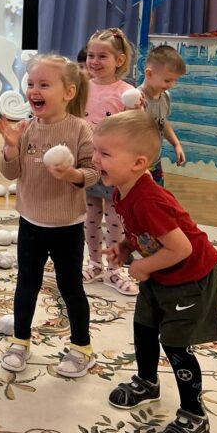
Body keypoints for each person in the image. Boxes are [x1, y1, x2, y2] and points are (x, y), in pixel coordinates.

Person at [93, 111, 217, 433]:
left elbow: (182, 248)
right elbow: (141, 232)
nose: (95, 159)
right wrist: (125, 247)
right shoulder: (123, 190)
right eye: (95, 151)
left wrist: (143, 265)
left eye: (105, 154)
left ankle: (194, 415)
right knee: (144, 327)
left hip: (189, 278)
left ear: (138, 163)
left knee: (176, 345)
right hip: (161, 274)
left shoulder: (149, 199)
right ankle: (148, 382)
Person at [0, 54, 100, 378]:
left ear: (68, 92)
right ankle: (20, 341)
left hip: (67, 225)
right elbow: (10, 173)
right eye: (31, 83)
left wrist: (72, 174)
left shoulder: (80, 129)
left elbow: (93, 172)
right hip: (30, 222)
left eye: (44, 84)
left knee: (70, 287)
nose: (34, 90)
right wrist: (10, 148)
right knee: (26, 284)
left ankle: (82, 347)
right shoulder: (26, 128)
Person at [83, 27, 138, 296]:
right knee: (90, 217)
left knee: (115, 219)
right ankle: (94, 263)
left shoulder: (127, 92)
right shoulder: (81, 87)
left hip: (114, 168)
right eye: (90, 55)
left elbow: (134, 128)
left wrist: (137, 110)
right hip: (87, 163)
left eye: (102, 56)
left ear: (119, 60)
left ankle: (114, 269)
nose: (94, 61)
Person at [137, 44, 187, 186]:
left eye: (175, 80)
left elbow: (162, 122)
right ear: (149, 74)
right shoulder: (137, 99)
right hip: (137, 163)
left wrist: (176, 144)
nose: (172, 85)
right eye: (167, 80)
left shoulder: (165, 97)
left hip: (155, 161)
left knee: (157, 195)